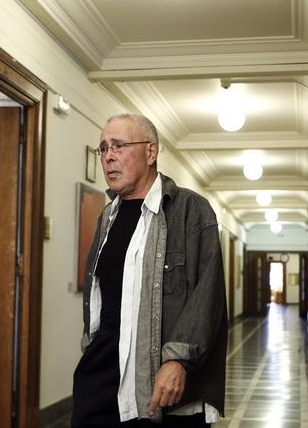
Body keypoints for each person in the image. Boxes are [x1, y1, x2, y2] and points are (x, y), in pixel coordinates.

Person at [72, 114, 228, 427]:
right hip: (102, 375)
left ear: (151, 152)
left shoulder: (191, 210)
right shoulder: (107, 217)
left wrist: (178, 360)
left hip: (163, 383)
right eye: (103, 148)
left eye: (119, 145)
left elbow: (207, 296)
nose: (108, 156)